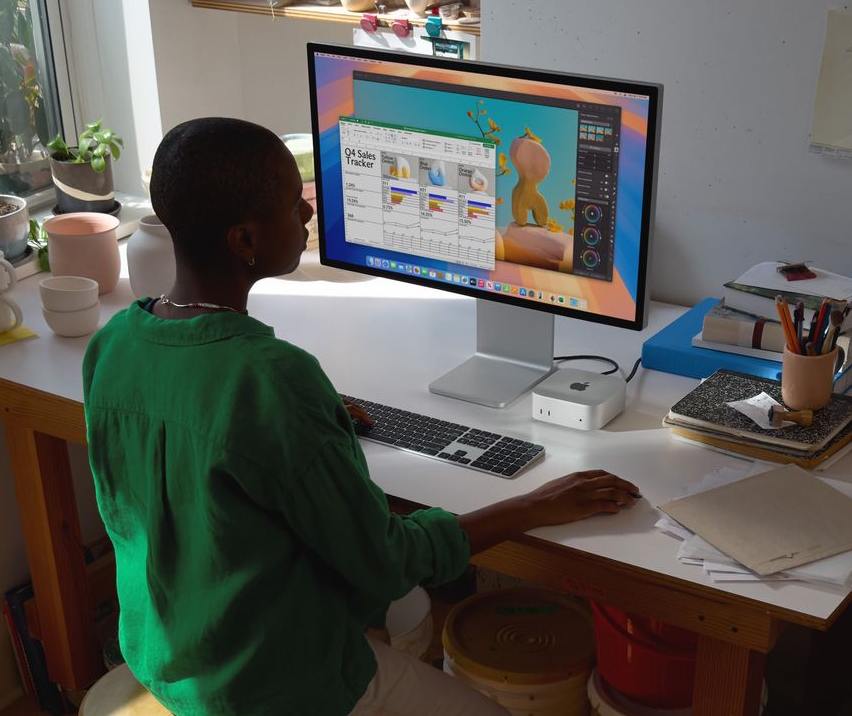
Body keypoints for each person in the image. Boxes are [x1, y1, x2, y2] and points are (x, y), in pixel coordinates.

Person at [83, 117, 641, 715]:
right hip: (268, 689)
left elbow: (201, 451)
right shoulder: (272, 379)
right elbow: (385, 561)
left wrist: (311, 425)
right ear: (245, 241)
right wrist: (534, 504)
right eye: (289, 202)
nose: (306, 212)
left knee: (405, 617)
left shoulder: (114, 343)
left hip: (170, 653)